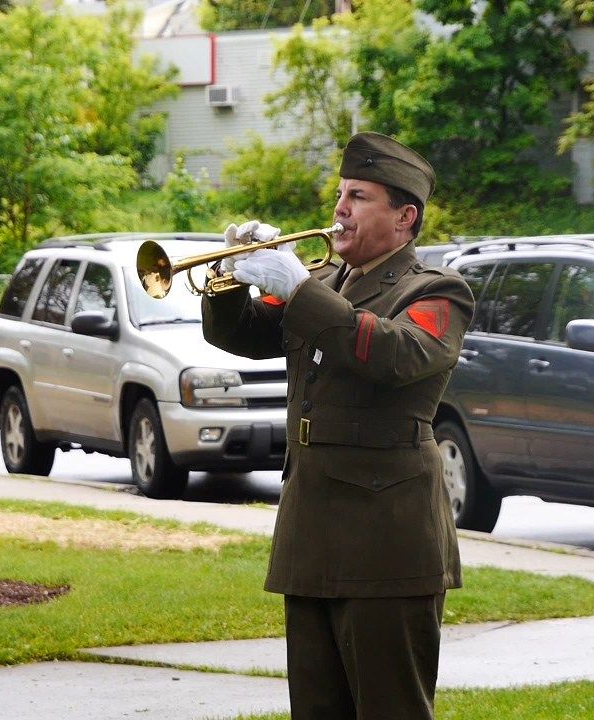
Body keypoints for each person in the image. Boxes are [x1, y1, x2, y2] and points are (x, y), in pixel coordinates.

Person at [201, 132, 475, 720]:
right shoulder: (326, 286)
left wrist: (296, 286)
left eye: (359, 195)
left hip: (388, 541)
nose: (340, 208)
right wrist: (227, 276)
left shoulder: (434, 291)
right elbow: (238, 335)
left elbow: (393, 355)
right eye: (339, 193)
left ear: (405, 217)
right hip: (312, 533)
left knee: (389, 709)